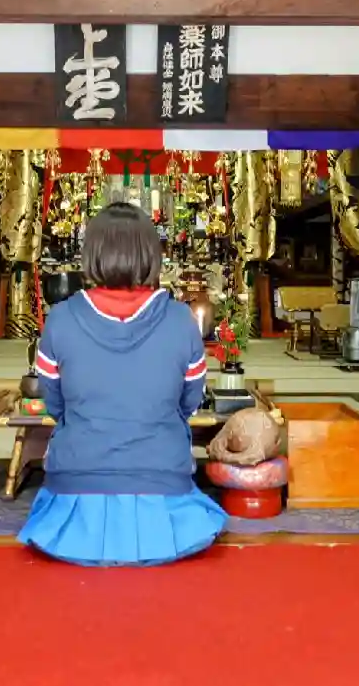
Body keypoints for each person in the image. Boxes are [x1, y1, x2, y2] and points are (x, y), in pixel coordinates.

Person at [18, 202, 227, 566]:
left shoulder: (61, 319)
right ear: (152, 255)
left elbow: (55, 403)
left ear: (92, 254)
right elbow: (189, 402)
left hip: (78, 482)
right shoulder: (181, 320)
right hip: (161, 480)